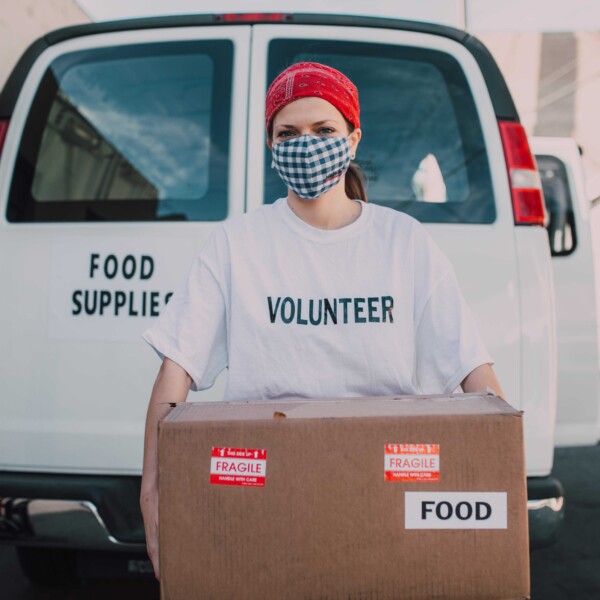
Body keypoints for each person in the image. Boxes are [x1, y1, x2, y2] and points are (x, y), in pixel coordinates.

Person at [139, 62, 504, 580]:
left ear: (353, 138)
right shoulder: (237, 244)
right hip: (263, 491)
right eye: (287, 133)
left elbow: (474, 375)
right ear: (270, 144)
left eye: (323, 130)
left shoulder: (404, 242)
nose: (305, 144)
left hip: (381, 488)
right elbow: (175, 371)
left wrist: (498, 484)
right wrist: (153, 488)